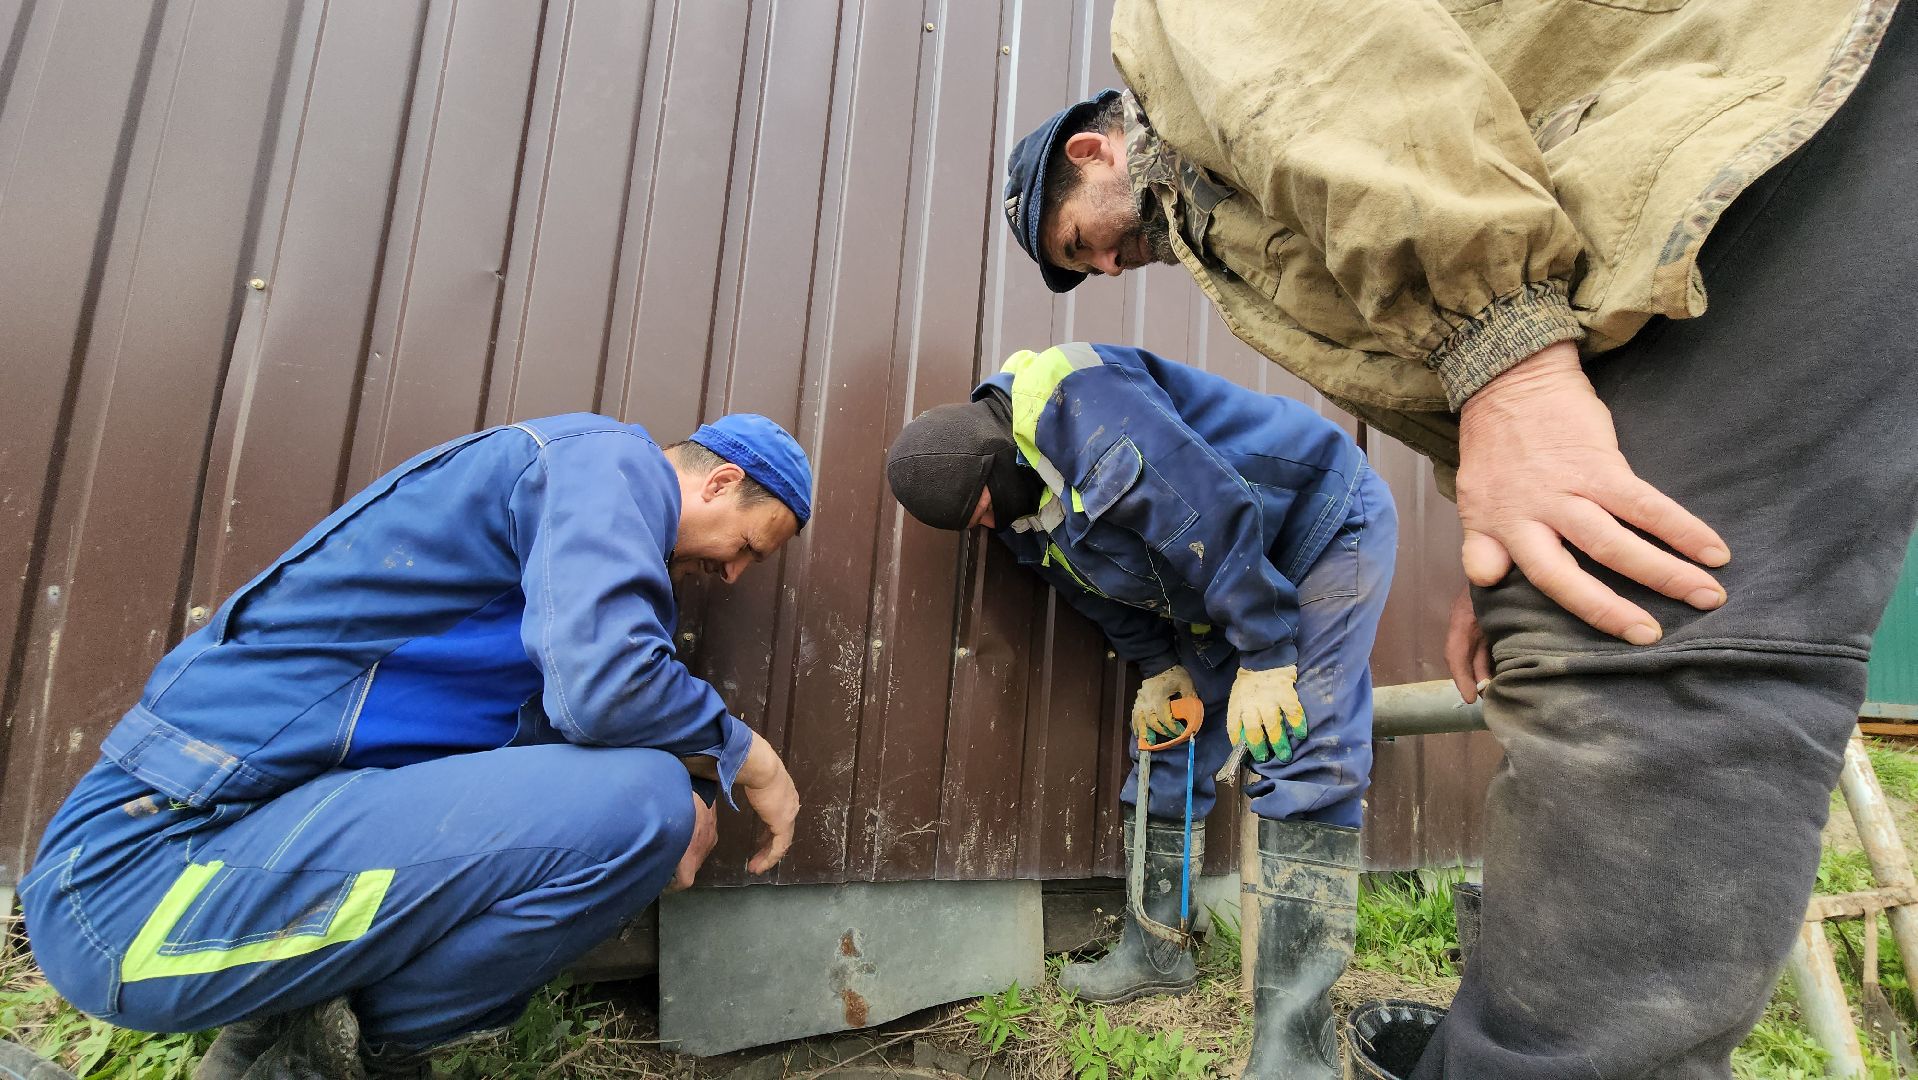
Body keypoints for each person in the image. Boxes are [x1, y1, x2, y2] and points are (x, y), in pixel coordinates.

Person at [1002, 0, 1917, 1077]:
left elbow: (1353, 81)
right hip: (1621, 277)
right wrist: (1496, 556)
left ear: (1091, 152)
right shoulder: (1181, 253)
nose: (1107, 271)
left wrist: (1504, 355)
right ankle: (1203, 960)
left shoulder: (1172, 48)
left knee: (1357, 716)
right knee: (1587, 609)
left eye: (1082, 242)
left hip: (1720, 180)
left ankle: (1295, 1043)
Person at [17, 412, 812, 1079]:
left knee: (647, 801)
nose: (734, 576)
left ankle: (305, 1044)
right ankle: (337, 1057)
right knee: (643, 804)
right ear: (719, 482)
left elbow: (575, 732)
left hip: (232, 851)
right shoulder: (607, 463)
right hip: (132, 887)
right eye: (749, 546)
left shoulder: (553, 587)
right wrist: (750, 758)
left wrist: (689, 782)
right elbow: (607, 687)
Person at [886, 341, 1396, 1076]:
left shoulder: (1078, 400)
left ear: (994, 459)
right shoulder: (1023, 510)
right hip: (1220, 583)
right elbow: (1091, 590)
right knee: (1169, 738)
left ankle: (1297, 1047)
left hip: (1316, 530)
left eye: (985, 509)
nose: (988, 527)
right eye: (976, 524)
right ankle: (1158, 950)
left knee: (1299, 740)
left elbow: (1208, 510)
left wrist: (1265, 651)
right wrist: (1160, 668)